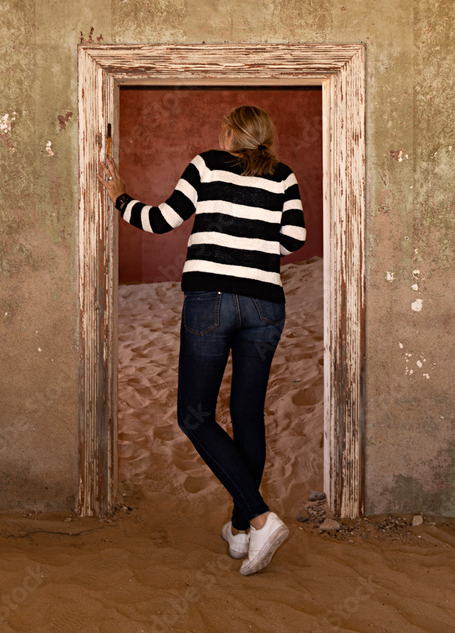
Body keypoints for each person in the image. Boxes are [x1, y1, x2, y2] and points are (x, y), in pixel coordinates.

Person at [97, 104, 306, 576]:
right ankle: (241, 532)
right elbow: (293, 239)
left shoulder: (207, 163)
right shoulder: (284, 176)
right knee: (248, 415)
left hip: (211, 300)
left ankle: (259, 517)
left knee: (194, 415)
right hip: (265, 306)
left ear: (230, 134)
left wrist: (118, 197)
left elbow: (162, 221)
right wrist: (253, 238)